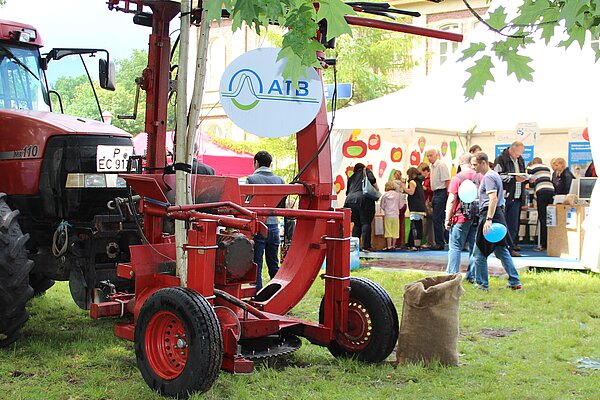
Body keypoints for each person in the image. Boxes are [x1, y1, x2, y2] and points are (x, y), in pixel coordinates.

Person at [469, 152, 522, 291]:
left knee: (479, 253)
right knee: (501, 251)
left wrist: (489, 219)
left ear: (483, 162)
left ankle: (482, 284)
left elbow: (493, 198)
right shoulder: (494, 175)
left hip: (490, 215)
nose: (473, 167)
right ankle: (514, 281)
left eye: (475, 164)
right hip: (497, 215)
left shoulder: (488, 177)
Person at [247, 151, 285, 290]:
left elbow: (247, 204)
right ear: (270, 164)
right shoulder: (280, 180)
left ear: (256, 163)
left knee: (256, 263)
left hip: (258, 226)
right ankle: (277, 293)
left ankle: (256, 293)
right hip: (274, 226)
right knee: (273, 262)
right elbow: (282, 205)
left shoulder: (251, 179)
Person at [444, 153, 482, 277]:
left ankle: (452, 275)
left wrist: (447, 218)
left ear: (461, 163)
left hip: (460, 217)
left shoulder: (457, 178)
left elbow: (451, 199)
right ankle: (472, 274)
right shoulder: (480, 176)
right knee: (474, 247)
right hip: (476, 216)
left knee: (455, 246)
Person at [493, 141, 526, 256]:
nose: (518, 156)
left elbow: (522, 173)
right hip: (505, 196)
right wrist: (514, 179)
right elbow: (498, 176)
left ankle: (511, 246)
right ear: (511, 150)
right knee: (503, 223)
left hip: (517, 195)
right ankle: (503, 248)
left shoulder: (520, 160)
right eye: (517, 154)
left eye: (520, 154)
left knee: (514, 224)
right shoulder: (501, 159)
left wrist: (526, 178)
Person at [344, 163, 378, 252]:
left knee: (357, 223)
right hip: (364, 199)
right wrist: (376, 190)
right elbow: (372, 180)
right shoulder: (366, 171)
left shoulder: (351, 177)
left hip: (350, 201)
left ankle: (355, 246)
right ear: (363, 168)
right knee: (365, 222)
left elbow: (347, 192)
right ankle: (366, 246)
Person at [526, 157, 555, 252]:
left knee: (542, 219)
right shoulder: (547, 168)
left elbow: (529, 181)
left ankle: (543, 244)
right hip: (551, 191)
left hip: (541, 192)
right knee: (550, 218)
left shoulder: (531, 167)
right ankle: (551, 242)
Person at [426, 148, 450, 250]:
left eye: (431, 155)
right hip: (435, 193)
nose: (429, 158)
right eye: (428, 156)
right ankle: (442, 240)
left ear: (437, 155)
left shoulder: (441, 165)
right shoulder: (431, 167)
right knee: (438, 218)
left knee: (437, 219)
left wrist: (448, 195)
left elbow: (447, 180)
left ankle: (440, 243)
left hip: (441, 192)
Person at [402, 167, 427, 251]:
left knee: (415, 226)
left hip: (415, 207)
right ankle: (417, 244)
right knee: (418, 225)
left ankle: (415, 245)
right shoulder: (419, 182)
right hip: (421, 207)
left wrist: (404, 187)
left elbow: (411, 192)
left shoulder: (412, 182)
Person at [380, 181, 402, 251]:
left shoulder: (385, 195)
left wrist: (386, 209)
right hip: (396, 215)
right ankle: (393, 246)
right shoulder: (398, 195)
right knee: (395, 231)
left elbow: (382, 205)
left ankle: (389, 246)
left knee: (388, 230)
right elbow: (401, 205)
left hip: (388, 215)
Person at [418, 163, 435, 248]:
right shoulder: (426, 179)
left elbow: (433, 189)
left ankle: (430, 242)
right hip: (425, 201)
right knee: (427, 223)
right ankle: (429, 241)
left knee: (429, 223)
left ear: (425, 171)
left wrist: (425, 189)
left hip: (429, 202)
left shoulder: (430, 179)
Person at [393, 170, 408, 248]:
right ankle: (400, 242)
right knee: (401, 224)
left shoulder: (392, 183)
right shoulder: (403, 183)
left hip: (395, 205)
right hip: (403, 204)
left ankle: (394, 243)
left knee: (395, 225)